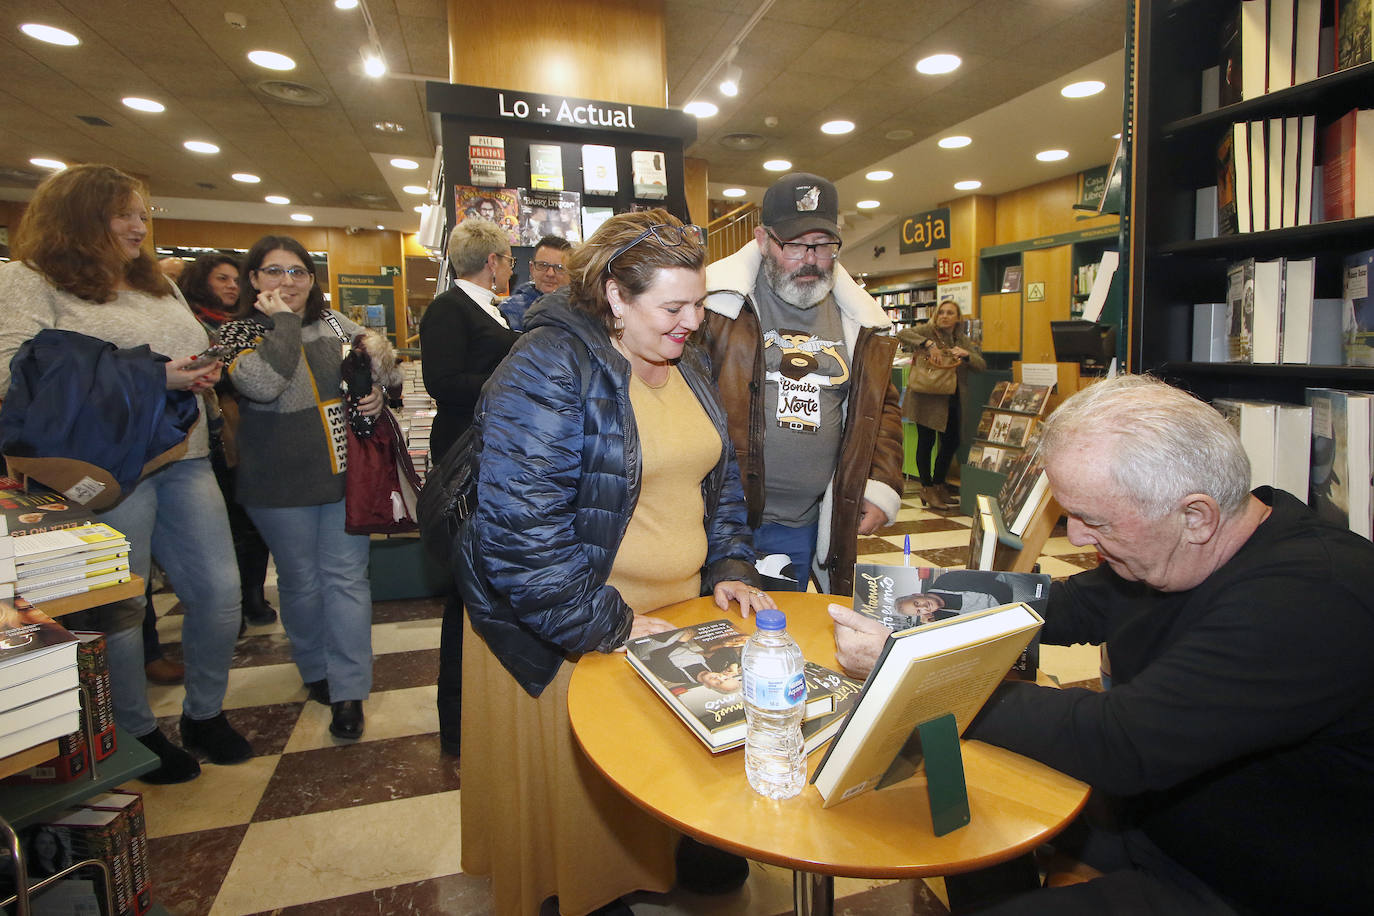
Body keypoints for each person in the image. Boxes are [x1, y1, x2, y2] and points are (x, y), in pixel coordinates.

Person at [830, 375, 1374, 915]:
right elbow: (1063, 608)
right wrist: (907, 609)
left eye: (1093, 520)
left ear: (1196, 515)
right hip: (1158, 819)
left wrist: (920, 674)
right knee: (956, 811)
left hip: (1245, 881)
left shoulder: (1310, 600)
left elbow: (1121, 740)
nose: (1080, 539)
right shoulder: (1178, 546)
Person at [456, 209, 775, 915]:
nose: (693, 320)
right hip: (567, 628)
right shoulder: (546, 365)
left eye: (697, 302)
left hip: (669, 617)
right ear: (612, 296)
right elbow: (520, 537)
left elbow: (714, 478)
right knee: (584, 831)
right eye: (673, 306)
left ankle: (669, 854)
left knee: (664, 772)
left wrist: (728, 563)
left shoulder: (680, 355)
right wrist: (611, 625)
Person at [0, 164, 249, 784]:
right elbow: (15, 376)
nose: (140, 227)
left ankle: (204, 713)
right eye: (124, 214)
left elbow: (182, 351)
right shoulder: (30, 281)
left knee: (220, 596)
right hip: (108, 470)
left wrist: (201, 371)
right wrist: (152, 377)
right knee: (122, 605)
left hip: (186, 457)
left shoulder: (155, 285)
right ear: (80, 217)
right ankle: (135, 729)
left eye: (144, 213)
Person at [221, 236, 401, 742]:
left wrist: (375, 398)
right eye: (274, 271)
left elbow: (382, 370)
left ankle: (349, 691)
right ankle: (314, 666)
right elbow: (263, 384)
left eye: (297, 271)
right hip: (276, 482)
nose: (288, 282)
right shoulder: (237, 333)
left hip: (346, 474)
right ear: (254, 279)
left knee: (346, 579)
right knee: (300, 582)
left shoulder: (338, 324)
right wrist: (280, 322)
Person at [700, 172, 903, 597]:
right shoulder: (718, 305)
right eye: (794, 245)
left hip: (810, 522)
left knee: (785, 636)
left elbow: (881, 407)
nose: (810, 259)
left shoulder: (862, 320)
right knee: (719, 643)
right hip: (722, 521)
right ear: (762, 239)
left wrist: (881, 483)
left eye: (824, 246)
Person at [419, 219, 521, 757]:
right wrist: (511, 379)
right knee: (466, 588)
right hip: (466, 458)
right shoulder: (449, 310)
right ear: (495, 261)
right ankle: (456, 725)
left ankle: (485, 711)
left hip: (494, 456)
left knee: (489, 583)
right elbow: (443, 383)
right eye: (507, 259)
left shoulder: (488, 309)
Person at [178, 254, 278, 630]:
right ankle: (228, 605)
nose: (231, 286)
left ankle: (251, 594)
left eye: (235, 279)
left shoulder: (251, 324)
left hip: (239, 431)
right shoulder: (192, 321)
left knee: (249, 521)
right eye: (222, 278)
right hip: (203, 433)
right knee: (224, 524)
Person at [897, 298, 985, 510]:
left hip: (953, 399)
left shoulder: (961, 340)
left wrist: (966, 356)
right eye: (942, 312)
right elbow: (902, 334)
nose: (945, 316)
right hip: (926, 398)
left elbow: (980, 365)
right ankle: (927, 487)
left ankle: (938, 484)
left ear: (958, 318)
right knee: (926, 443)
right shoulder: (927, 331)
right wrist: (927, 344)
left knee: (951, 443)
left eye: (950, 313)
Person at [499, 234, 572, 330]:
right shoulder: (508, 311)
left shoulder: (582, 312)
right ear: (532, 268)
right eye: (543, 265)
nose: (550, 274)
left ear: (571, 272)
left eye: (559, 268)